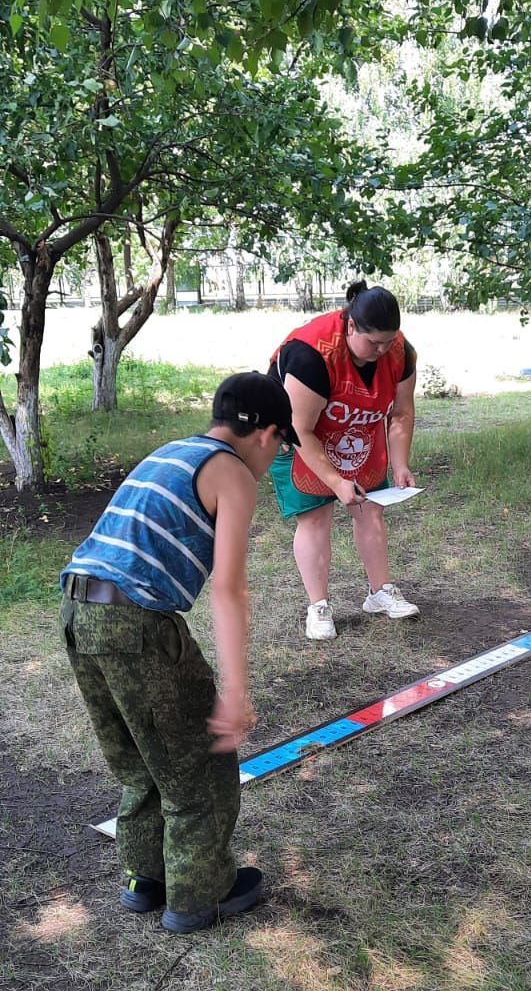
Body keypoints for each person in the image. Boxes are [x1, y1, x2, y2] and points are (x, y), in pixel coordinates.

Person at [59, 373, 300, 934]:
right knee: (201, 762)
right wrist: (236, 693)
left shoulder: (172, 451)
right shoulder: (234, 474)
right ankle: (198, 896)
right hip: (135, 623)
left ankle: (147, 879)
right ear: (267, 434)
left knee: (141, 759)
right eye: (281, 444)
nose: (275, 457)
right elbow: (229, 588)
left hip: (76, 609)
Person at [269, 280, 420, 640]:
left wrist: (400, 463)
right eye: (373, 342)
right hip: (297, 433)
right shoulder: (310, 355)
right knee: (316, 516)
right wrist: (336, 483)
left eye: (389, 341)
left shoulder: (400, 353)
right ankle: (318, 606)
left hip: (355, 428)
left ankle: (379, 592)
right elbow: (299, 428)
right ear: (351, 326)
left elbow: (400, 413)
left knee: (370, 508)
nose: (382, 350)